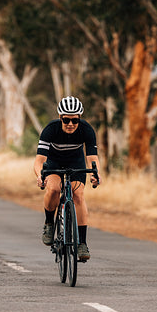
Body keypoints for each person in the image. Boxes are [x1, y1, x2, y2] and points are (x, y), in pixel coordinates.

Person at [33, 96, 102, 261]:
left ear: (80, 119)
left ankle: (82, 243)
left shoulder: (86, 129)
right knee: (54, 189)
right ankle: (49, 223)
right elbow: (39, 161)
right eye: (66, 120)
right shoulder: (50, 129)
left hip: (75, 162)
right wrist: (40, 176)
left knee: (78, 195)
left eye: (74, 120)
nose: (70, 124)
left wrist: (95, 173)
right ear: (60, 118)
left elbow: (92, 158)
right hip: (54, 162)